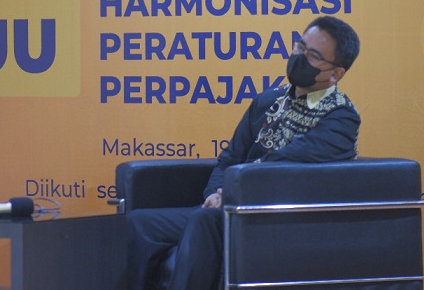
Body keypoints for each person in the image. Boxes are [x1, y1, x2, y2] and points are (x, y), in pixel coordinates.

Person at [126, 16, 362, 290]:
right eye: (300, 46)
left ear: (336, 73)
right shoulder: (267, 100)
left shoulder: (341, 117)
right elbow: (230, 158)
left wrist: (230, 192)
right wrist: (213, 195)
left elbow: (287, 164)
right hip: (228, 207)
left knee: (204, 221)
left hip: (276, 218)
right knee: (139, 223)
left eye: (314, 56)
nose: (300, 56)